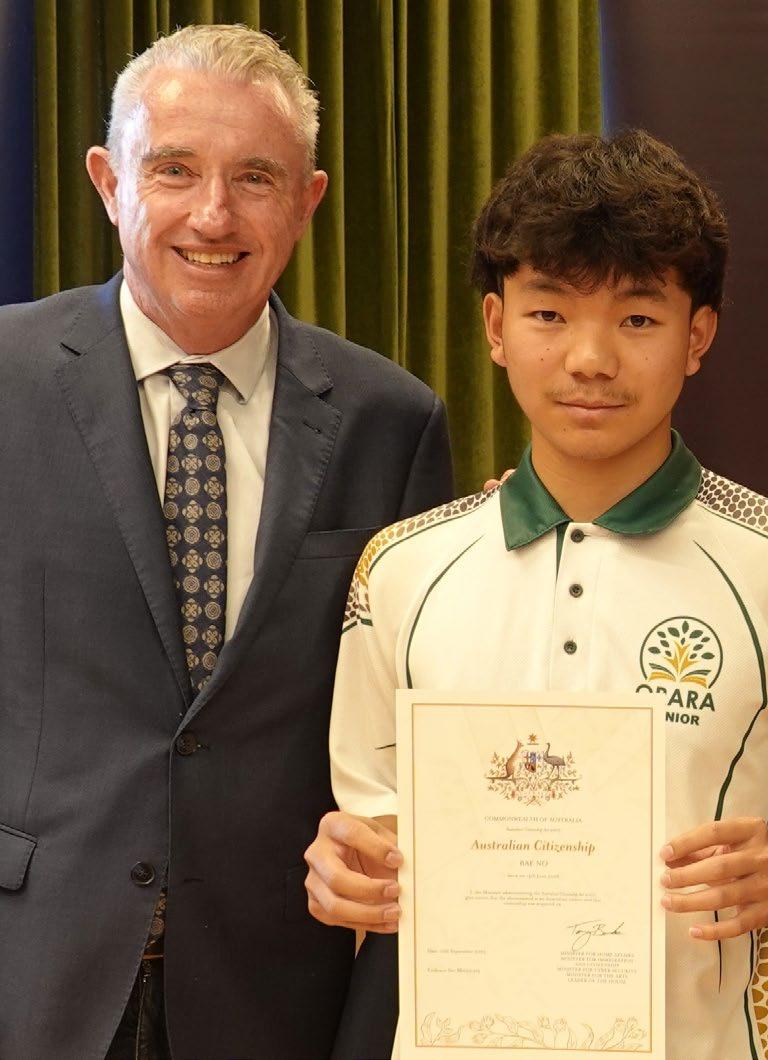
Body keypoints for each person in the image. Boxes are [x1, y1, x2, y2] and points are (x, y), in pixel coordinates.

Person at [304, 129, 768, 1058]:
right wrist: (351, 872)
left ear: (698, 335)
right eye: (549, 314)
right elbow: (375, 820)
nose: (590, 358)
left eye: (638, 319)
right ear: (496, 326)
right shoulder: (401, 569)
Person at [0, 24, 452, 1059]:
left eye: (255, 177)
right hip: (32, 969)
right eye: (174, 170)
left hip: (275, 987)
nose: (214, 215)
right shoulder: (4, 380)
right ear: (109, 183)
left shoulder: (391, 420)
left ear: (308, 201)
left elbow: (406, 735)